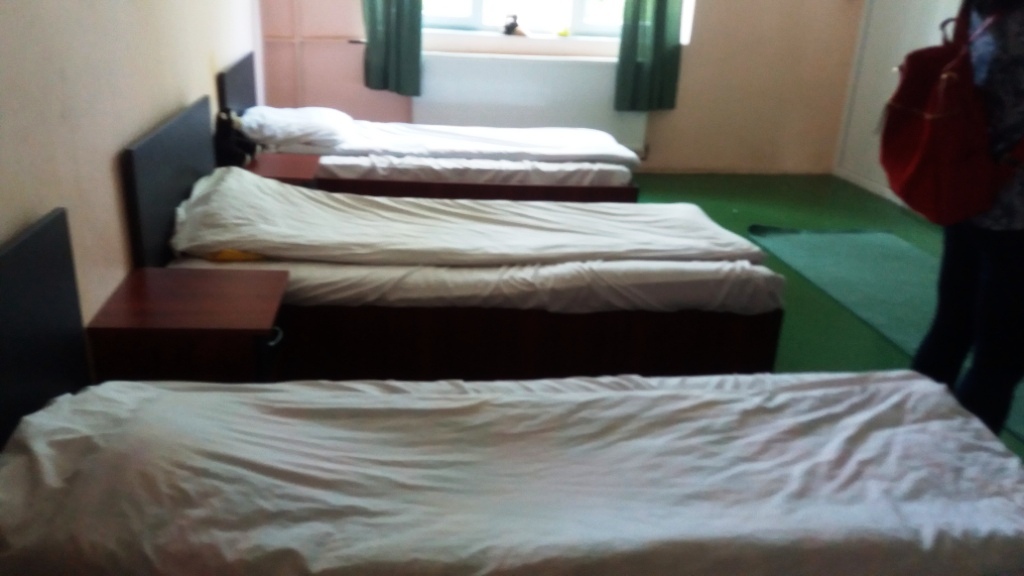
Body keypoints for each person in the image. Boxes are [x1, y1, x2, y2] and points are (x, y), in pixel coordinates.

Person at [912, 0, 1024, 435]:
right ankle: (960, 463)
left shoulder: (985, 6)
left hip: (968, 185)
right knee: (1000, 357)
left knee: (951, 328)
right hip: (1013, 210)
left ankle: (906, 438)